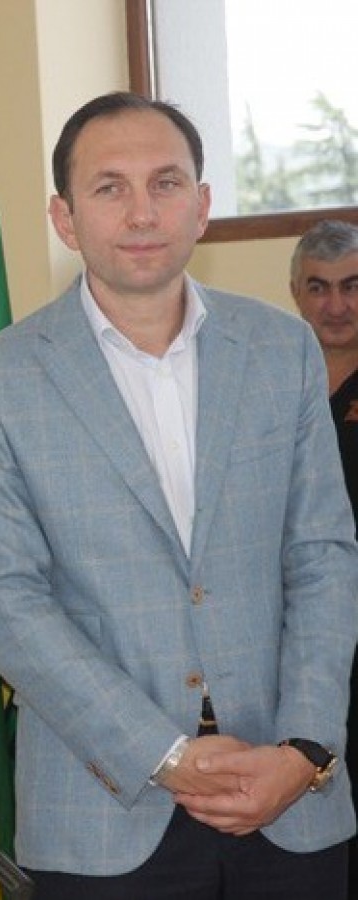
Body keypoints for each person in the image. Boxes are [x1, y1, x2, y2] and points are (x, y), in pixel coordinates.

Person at [0, 91, 358, 897]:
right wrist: (163, 756)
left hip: (287, 798)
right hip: (102, 816)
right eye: (110, 188)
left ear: (201, 206)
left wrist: (305, 748)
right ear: (65, 218)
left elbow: (323, 558)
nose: (142, 212)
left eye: (165, 183)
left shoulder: (282, 351)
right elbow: (10, 602)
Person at [289, 217, 358, 884]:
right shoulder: (275, 383)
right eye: (319, 287)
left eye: (351, 286)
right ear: (296, 295)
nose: (336, 305)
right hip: (303, 637)